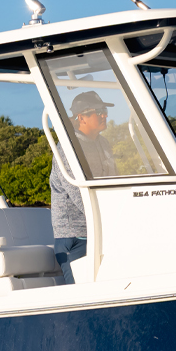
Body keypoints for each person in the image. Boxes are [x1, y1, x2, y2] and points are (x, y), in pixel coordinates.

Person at [50, 91, 120, 283]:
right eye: (98, 111)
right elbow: (78, 194)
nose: (104, 115)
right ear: (81, 117)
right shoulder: (68, 148)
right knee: (83, 293)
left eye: (104, 110)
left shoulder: (103, 143)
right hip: (75, 237)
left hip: (103, 231)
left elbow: (114, 180)